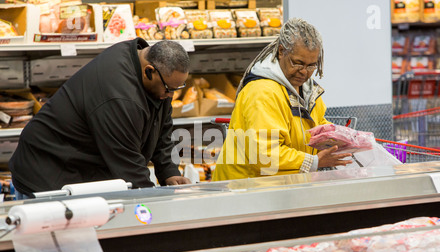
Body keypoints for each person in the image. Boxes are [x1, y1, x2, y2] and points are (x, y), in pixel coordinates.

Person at [9, 37, 191, 199]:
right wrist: (153, 201)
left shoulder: (148, 69)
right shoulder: (118, 96)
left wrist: (168, 170)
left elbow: (161, 126)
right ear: (149, 71)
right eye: (169, 89)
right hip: (48, 174)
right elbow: (127, 163)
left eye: (177, 89)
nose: (170, 95)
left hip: (84, 170)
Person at [212, 18, 353, 181]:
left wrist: (336, 136)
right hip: (246, 188)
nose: (304, 72)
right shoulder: (262, 91)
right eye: (298, 63)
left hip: (280, 186)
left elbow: (315, 123)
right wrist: (313, 161)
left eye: (311, 66)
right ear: (281, 51)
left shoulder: (307, 88)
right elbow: (264, 154)